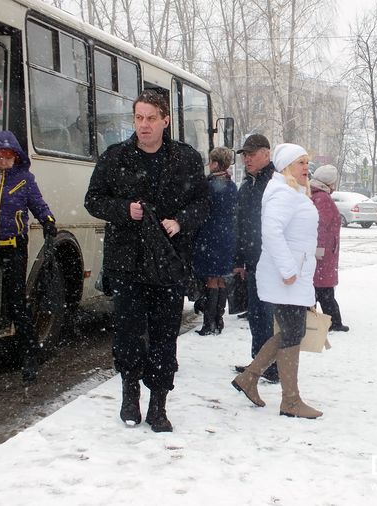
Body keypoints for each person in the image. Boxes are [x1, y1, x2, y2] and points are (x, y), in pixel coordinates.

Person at [84, 90, 209, 432]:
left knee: (164, 337)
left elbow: (203, 203)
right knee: (127, 335)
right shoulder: (115, 157)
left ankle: (158, 404)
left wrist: (180, 220)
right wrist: (124, 210)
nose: (143, 125)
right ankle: (129, 394)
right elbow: (93, 201)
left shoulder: (185, 159)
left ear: (165, 121)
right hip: (127, 264)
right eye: (138, 118)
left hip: (168, 265)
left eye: (151, 118)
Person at [232, 143, 322, 419]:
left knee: (292, 331)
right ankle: (289, 400)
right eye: (301, 162)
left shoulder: (290, 190)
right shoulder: (283, 192)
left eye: (307, 162)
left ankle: (252, 378)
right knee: (293, 331)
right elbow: (271, 232)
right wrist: (287, 269)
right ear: (286, 166)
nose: (306, 167)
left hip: (292, 275)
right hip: (286, 277)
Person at [0, 131, 56, 382]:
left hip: (13, 244)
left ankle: (29, 357)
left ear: (16, 157)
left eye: (8, 156)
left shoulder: (24, 179)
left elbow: (38, 203)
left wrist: (47, 220)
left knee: (16, 301)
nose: (3, 161)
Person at [233, 134, 278, 382]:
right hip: (252, 261)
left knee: (267, 316)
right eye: (245, 155)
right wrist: (239, 260)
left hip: (269, 260)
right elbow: (241, 224)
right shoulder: (248, 183)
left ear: (266, 154)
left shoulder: (274, 182)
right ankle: (258, 361)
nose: (247, 159)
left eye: (252, 154)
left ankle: (271, 365)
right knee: (256, 315)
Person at [192, 147, 238, 335]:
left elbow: (202, 210)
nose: (209, 165)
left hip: (209, 236)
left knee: (211, 279)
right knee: (220, 279)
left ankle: (208, 324)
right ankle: (218, 321)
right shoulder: (232, 185)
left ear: (216, 163)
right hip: (227, 237)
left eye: (211, 161)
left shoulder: (208, 186)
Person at [310, 164, 348, 332]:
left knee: (318, 288)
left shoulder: (315, 195)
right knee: (324, 288)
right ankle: (333, 322)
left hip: (322, 252)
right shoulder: (323, 198)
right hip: (323, 254)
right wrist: (319, 250)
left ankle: (320, 320)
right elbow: (320, 227)